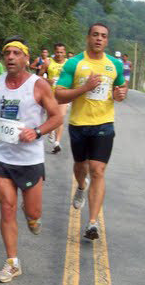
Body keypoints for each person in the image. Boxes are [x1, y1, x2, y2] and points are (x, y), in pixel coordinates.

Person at [0, 36, 62, 283]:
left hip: (30, 159)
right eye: (7, 53)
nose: (9, 57)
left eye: (16, 53)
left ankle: (30, 214)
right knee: (6, 209)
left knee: (33, 213)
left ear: (26, 59)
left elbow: (56, 117)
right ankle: (12, 263)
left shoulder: (38, 85)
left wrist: (38, 131)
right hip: (2, 155)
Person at [55, 23, 128, 240]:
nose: (99, 39)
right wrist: (85, 88)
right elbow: (59, 95)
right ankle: (80, 187)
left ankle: (92, 223)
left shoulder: (114, 64)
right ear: (88, 37)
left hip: (104, 124)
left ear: (107, 40)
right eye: (95, 35)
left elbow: (121, 89)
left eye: (103, 36)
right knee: (81, 167)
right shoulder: (74, 63)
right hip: (79, 124)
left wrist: (120, 95)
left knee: (98, 170)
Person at [40, 42, 68, 154]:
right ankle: (51, 130)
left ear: (64, 52)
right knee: (51, 116)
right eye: (57, 52)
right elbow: (39, 76)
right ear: (54, 52)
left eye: (61, 52)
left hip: (63, 94)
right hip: (50, 94)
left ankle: (57, 142)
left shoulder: (68, 63)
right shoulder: (48, 62)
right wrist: (48, 80)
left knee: (60, 117)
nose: (59, 54)